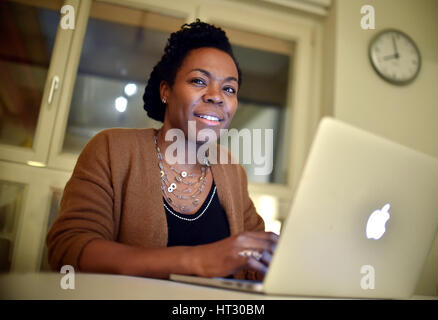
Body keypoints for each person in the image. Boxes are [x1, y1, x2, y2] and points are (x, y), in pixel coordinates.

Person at [46, 20, 278, 281]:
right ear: (166, 91)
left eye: (229, 88)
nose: (217, 96)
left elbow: (257, 260)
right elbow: (69, 249)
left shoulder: (231, 170)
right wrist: (196, 261)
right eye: (199, 81)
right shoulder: (111, 149)